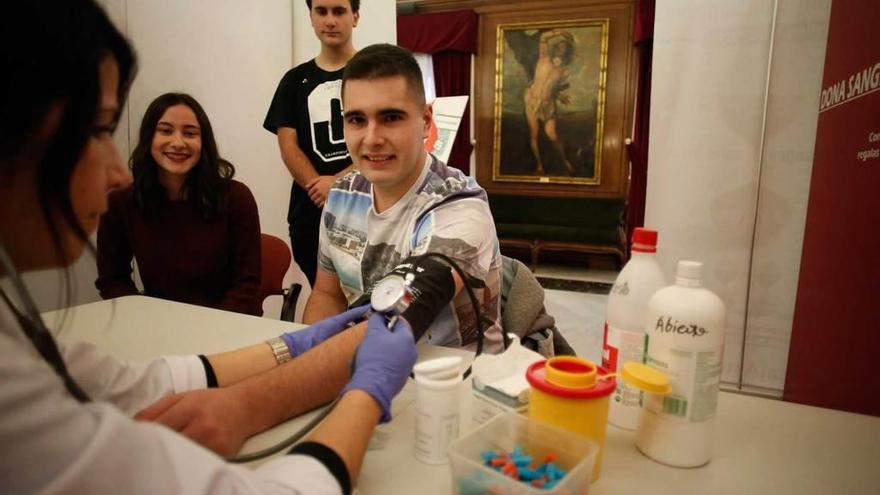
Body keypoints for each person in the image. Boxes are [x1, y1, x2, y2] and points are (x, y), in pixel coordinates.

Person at [0, 2, 416, 493]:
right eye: (97, 130)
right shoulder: (332, 193)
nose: (114, 171)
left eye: (391, 117)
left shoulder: (453, 204)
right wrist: (362, 392)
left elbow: (135, 384)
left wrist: (293, 352)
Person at [302, 43, 505, 353]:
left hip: (454, 384)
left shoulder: (461, 206)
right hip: (360, 364)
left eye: (391, 117)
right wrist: (307, 356)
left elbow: (391, 322)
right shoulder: (341, 197)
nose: (372, 139)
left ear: (425, 121)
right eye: (357, 120)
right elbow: (327, 295)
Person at [95, 93, 263, 316]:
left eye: (190, 133)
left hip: (227, 325)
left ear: (203, 142)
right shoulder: (120, 202)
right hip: (157, 326)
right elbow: (112, 280)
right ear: (148, 138)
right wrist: (143, 319)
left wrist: (212, 330)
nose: (177, 143)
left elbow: (247, 285)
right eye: (165, 130)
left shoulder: (236, 198)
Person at [263, 0, 360, 287]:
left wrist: (339, 184)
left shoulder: (374, 73)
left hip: (366, 209)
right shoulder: (293, 81)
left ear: (355, 16)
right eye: (322, 11)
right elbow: (288, 146)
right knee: (324, 295)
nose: (330, 20)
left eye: (339, 11)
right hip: (309, 215)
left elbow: (385, 142)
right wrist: (319, 188)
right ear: (311, 17)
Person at [524, 29, 577, 175]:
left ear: (567, 53)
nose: (561, 49)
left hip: (548, 104)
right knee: (534, 133)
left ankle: (565, 159)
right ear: (555, 49)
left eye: (564, 48)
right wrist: (561, 32)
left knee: (552, 135)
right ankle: (540, 165)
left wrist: (561, 96)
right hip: (532, 101)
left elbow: (553, 89)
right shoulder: (544, 58)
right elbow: (543, 37)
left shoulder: (564, 71)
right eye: (559, 46)